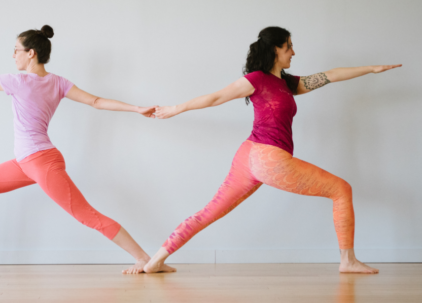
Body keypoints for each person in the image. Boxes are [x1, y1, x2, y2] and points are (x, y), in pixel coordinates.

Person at [0, 25, 155, 274]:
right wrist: (136, 109)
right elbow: (96, 102)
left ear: (31, 53)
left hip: (41, 161)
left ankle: (144, 258)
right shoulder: (59, 82)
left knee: (86, 215)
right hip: (26, 162)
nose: (13, 55)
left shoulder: (18, 81)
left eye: (16, 50)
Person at [146, 26, 401, 274]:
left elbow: (330, 75)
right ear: (275, 49)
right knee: (341, 189)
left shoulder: (288, 83)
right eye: (288, 47)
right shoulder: (256, 79)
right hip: (267, 157)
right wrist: (175, 109)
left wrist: (371, 69)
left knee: (210, 212)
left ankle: (155, 261)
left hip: (250, 155)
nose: (293, 52)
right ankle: (348, 261)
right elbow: (216, 97)